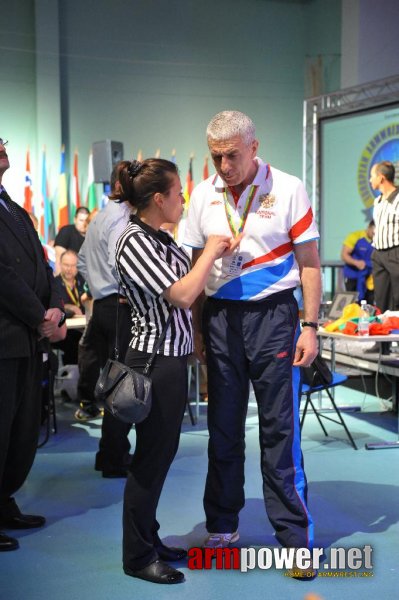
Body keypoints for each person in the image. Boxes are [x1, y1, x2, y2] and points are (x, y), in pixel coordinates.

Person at [184, 111, 321, 579]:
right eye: (216, 156)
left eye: (233, 156)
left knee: (280, 429)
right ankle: (222, 525)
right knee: (222, 428)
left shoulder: (288, 187)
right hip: (220, 319)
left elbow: (310, 264)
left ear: (254, 147)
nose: (224, 165)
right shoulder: (201, 195)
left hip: (275, 316)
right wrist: (200, 330)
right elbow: (196, 275)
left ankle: (293, 538)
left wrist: (310, 325)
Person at [115, 158, 240, 584]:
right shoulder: (133, 241)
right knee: (150, 460)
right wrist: (209, 251)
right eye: (177, 194)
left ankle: (148, 539)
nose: (183, 200)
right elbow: (184, 294)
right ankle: (137, 556)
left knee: (161, 455)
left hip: (171, 361)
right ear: (158, 199)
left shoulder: (160, 238)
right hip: (152, 363)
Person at [0, 136, 66, 552]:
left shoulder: (13, 207)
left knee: (22, 429)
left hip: (28, 340)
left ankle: (4, 501)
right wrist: (38, 315)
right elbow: (2, 275)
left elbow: (46, 265)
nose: (2, 146)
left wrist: (56, 306)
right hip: (6, 338)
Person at [77, 162, 133, 457]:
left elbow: (83, 262)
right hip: (118, 306)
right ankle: (113, 454)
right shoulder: (122, 219)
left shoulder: (100, 217)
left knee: (114, 381)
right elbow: (119, 262)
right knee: (121, 384)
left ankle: (110, 452)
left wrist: (99, 286)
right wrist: (122, 290)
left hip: (102, 305)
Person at [370, 161, 399, 312]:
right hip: (379, 254)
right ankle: (384, 333)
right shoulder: (378, 201)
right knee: (381, 299)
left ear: (381, 178)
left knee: (397, 297)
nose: (370, 180)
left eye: (372, 176)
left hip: (395, 252)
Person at [53, 250, 86, 365]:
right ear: (60, 264)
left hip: (82, 326)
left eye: (72, 265)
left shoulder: (82, 281)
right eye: (66, 265)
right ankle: (72, 378)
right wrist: (70, 307)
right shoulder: (54, 283)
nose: (69, 269)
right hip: (63, 329)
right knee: (74, 344)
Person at [341, 220, 375, 304]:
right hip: (352, 276)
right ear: (369, 227)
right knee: (353, 304)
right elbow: (344, 255)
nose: (375, 236)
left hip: (369, 278)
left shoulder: (379, 240)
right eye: (373, 233)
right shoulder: (355, 236)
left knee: (368, 305)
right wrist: (356, 263)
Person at [54, 206, 90, 274]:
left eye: (86, 221)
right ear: (75, 220)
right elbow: (59, 258)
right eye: (81, 220)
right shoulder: (66, 231)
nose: (84, 223)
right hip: (68, 277)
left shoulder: (92, 236)